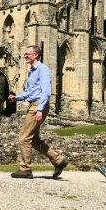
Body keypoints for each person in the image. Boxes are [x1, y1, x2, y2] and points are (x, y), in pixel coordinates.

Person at [7, 45, 68, 179]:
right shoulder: (32, 71)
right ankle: (58, 160)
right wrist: (16, 98)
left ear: (35, 55)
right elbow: (30, 92)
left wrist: (40, 109)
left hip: (37, 106)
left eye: (28, 54)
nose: (25, 56)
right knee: (33, 140)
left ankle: (25, 169)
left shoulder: (43, 69)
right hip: (33, 105)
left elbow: (46, 91)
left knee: (24, 137)